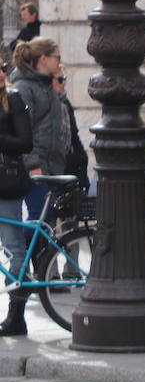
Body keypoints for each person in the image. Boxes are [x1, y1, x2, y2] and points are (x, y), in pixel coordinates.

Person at [2, 37, 69, 337]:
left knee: (20, 239)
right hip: (34, 169)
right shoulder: (31, 88)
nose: (59, 61)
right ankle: (28, 267)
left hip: (27, 173)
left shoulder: (27, 92)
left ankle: (18, 303)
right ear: (42, 58)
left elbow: (28, 136)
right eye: (55, 56)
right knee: (20, 235)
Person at [0, 68, 32, 282]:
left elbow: (25, 143)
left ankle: (16, 310)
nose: (2, 74)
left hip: (6, 181)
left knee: (14, 246)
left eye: (1, 69)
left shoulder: (13, 99)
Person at [52, 66, 88, 191]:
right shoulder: (48, 103)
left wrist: (82, 158)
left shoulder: (65, 102)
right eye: (60, 79)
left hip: (71, 165)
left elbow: (74, 134)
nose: (64, 83)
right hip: (56, 167)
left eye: (65, 78)